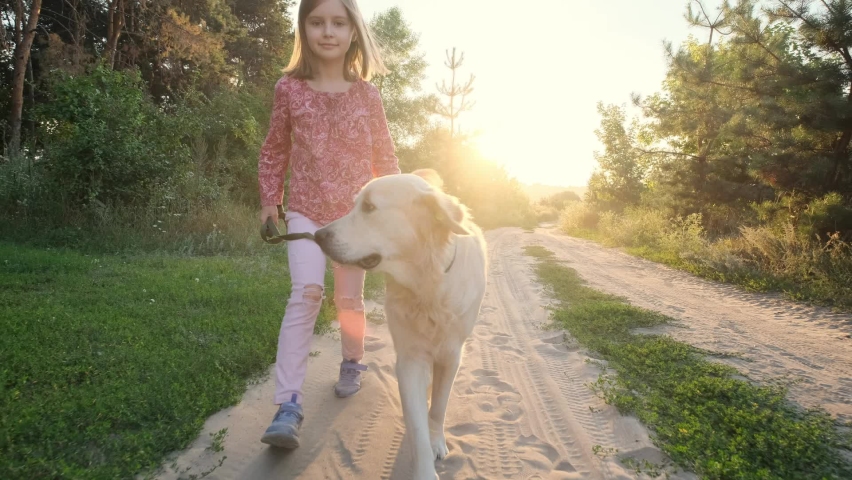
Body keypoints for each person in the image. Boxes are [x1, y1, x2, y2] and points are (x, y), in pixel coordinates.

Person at [256, 0, 400, 449]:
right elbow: (274, 149)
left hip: (353, 221)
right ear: (304, 29)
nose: (328, 32)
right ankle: (288, 405)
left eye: (338, 22)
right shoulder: (289, 90)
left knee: (348, 298)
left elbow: (387, 160)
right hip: (304, 210)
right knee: (306, 294)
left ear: (353, 31)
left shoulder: (368, 97)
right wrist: (268, 201)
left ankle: (352, 361)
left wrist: (392, 212)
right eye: (317, 22)